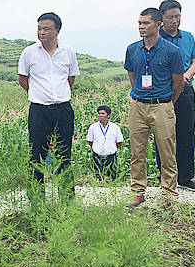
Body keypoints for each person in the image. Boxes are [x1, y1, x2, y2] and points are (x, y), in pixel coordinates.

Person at [124, 8, 184, 207]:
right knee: (137, 152)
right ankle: (138, 192)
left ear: (158, 25)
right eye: (139, 23)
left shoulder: (172, 51)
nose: (141, 27)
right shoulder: (132, 49)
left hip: (162, 105)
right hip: (138, 105)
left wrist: (166, 103)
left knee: (166, 151)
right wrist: (140, 94)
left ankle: (169, 193)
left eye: (146, 23)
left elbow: (178, 83)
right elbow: (132, 76)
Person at [18, 12, 79, 203]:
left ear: (57, 31)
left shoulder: (68, 52)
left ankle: (67, 200)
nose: (41, 32)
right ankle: (37, 200)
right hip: (39, 110)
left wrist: (57, 95)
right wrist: (40, 93)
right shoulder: (29, 53)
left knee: (64, 155)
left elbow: (71, 79)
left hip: (63, 110)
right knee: (36, 156)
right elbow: (23, 80)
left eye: (46, 29)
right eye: (39, 28)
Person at [152, 0, 195, 192]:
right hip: (163, 92)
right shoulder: (155, 38)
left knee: (186, 133)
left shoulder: (188, 37)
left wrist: (186, 76)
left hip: (186, 91)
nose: (175, 21)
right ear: (161, 19)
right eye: (170, 17)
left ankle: (185, 177)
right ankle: (164, 176)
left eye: (177, 16)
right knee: (162, 135)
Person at [86, 105, 124, 180]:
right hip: (97, 156)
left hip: (111, 156)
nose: (100, 115)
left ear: (109, 115)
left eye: (103, 114)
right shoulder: (93, 127)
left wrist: (111, 148)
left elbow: (119, 142)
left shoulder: (115, 127)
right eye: (99, 113)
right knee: (97, 177)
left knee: (111, 178)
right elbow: (90, 141)